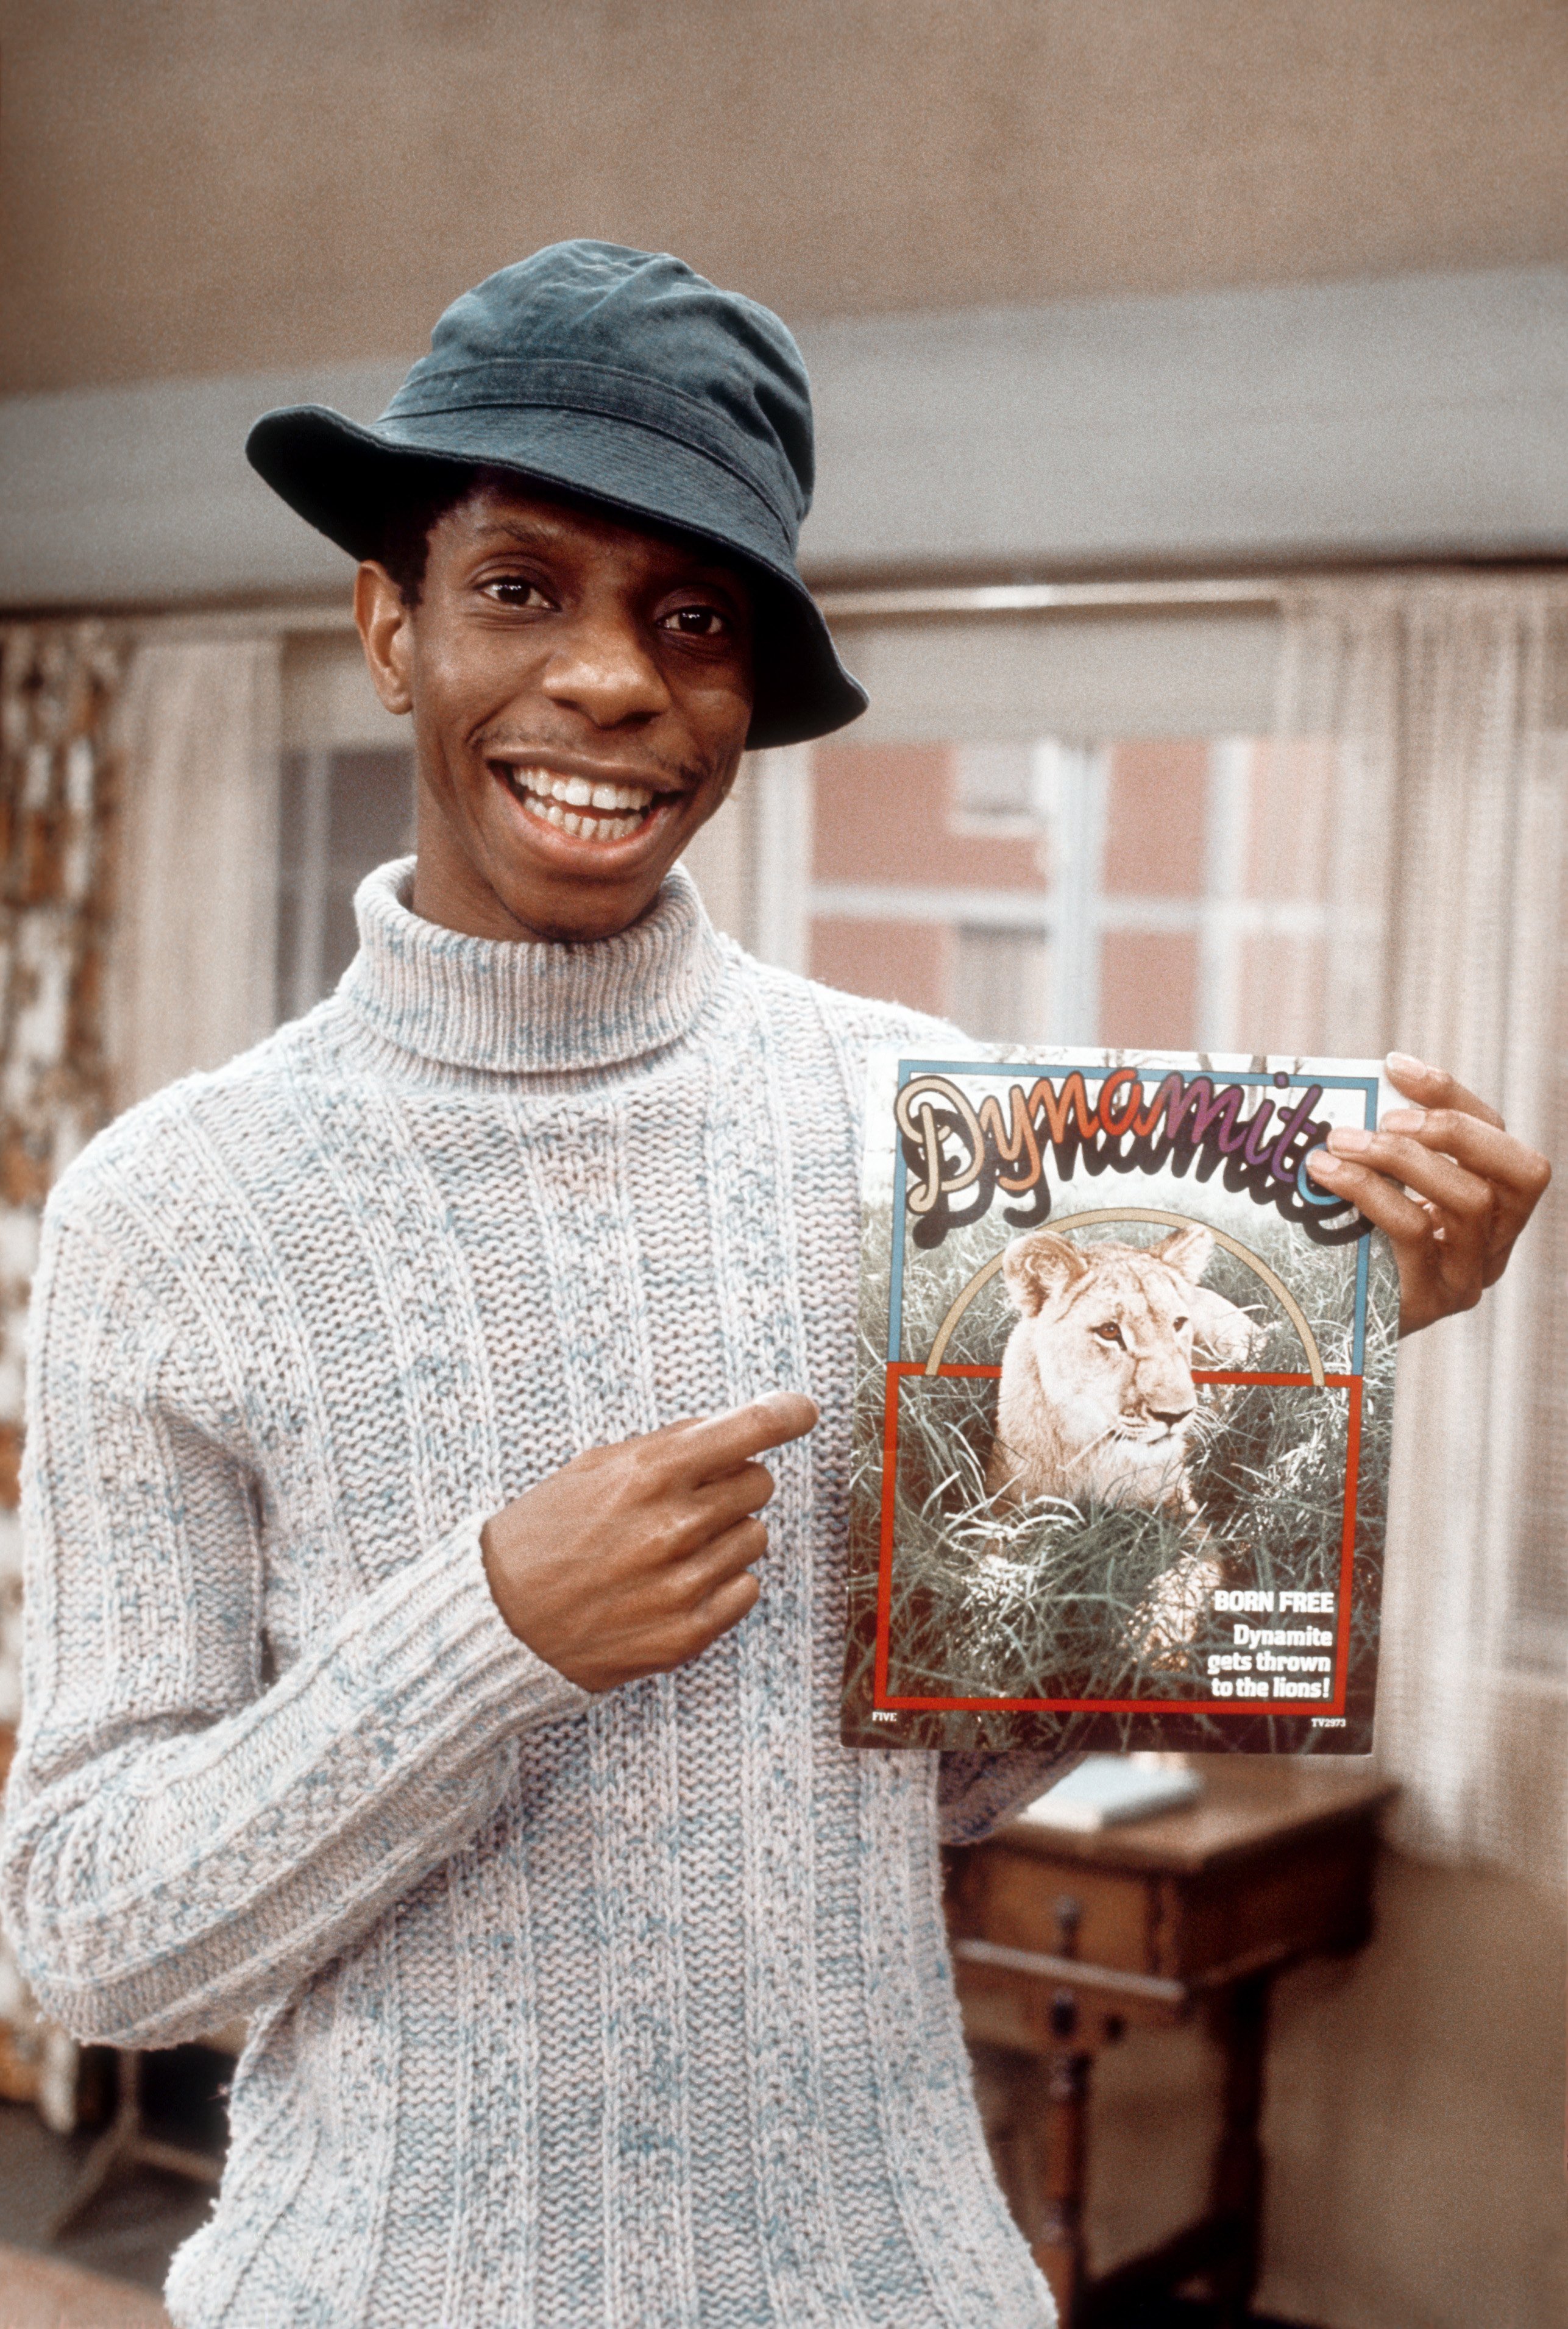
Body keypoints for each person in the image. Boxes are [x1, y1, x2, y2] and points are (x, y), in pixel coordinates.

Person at [0, 243, 1548, 2328]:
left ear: (745, 692)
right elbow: (87, 1938)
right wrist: (490, 1636)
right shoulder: (167, 1215)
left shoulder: (938, 1131)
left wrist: (1320, 1349)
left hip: (884, 2281)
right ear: (389, 619)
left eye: (695, 616)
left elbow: (945, 1767)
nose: (616, 681)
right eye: (521, 586)